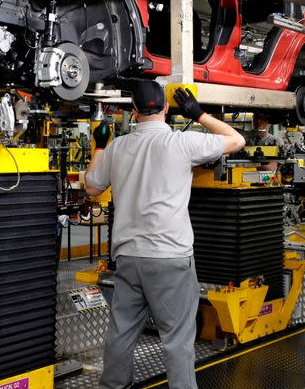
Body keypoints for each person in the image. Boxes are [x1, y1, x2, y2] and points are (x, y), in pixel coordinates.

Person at [85, 80, 245, 389]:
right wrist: (199, 114)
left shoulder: (118, 146)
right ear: (168, 109)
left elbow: (91, 187)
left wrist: (100, 146)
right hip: (170, 259)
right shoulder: (182, 143)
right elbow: (235, 140)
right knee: (176, 339)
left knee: (121, 333)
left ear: (133, 112)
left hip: (129, 258)